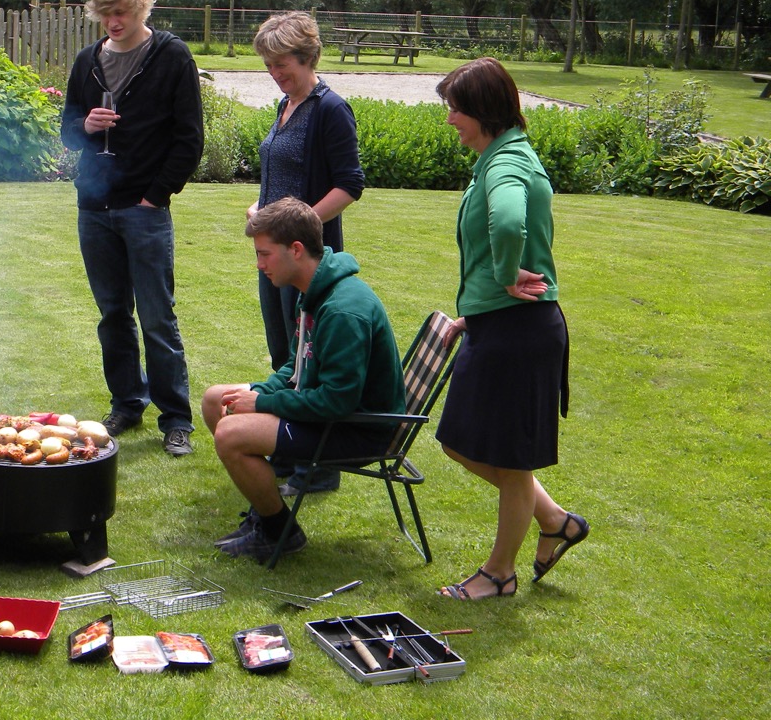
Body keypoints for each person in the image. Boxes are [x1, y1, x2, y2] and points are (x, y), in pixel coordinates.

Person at [433, 57, 587, 601]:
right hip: (502, 325)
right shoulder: (503, 156)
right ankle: (556, 521)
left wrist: (503, 274)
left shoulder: (505, 167)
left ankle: (499, 574)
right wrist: (474, 312)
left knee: (508, 457)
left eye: (455, 108)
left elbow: (509, 222)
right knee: (462, 441)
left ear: (483, 111)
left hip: (520, 332)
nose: (449, 118)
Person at [201, 198, 405, 562]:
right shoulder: (314, 291)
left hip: (356, 428)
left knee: (231, 435)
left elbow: (336, 401)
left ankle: (281, 530)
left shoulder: (343, 310)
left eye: (265, 254)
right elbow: (297, 367)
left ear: (296, 250)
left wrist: (261, 403)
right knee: (216, 399)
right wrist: (260, 392)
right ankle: (263, 513)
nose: (259, 264)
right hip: (332, 414)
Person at [60, 0, 204, 457]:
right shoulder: (87, 61)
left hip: (144, 209)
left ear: (141, 6)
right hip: (94, 207)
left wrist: (155, 196)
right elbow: (67, 133)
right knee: (112, 313)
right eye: (104, 13)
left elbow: (189, 140)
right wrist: (88, 125)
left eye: (120, 12)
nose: (112, 22)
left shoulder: (171, 56)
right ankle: (126, 402)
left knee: (158, 317)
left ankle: (177, 418)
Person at [249, 12, 366, 498]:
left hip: (306, 260)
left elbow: (349, 184)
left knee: (310, 362)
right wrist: (261, 210)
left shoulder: (329, 109)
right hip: (277, 253)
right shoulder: (287, 104)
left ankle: (318, 469)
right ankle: (290, 451)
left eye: (284, 63)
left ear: (308, 56)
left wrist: (300, 231)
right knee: (285, 355)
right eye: (270, 64)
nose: (277, 72)